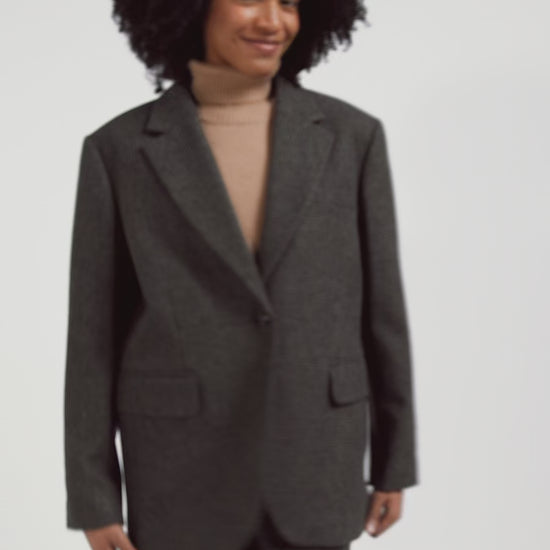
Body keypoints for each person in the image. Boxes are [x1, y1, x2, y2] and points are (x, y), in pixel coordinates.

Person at [63, 1, 419, 549]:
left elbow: (382, 313)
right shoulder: (119, 151)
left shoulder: (352, 138)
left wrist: (395, 462)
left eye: (290, 2)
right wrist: (94, 498)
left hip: (316, 462)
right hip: (179, 473)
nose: (273, 22)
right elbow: (93, 338)